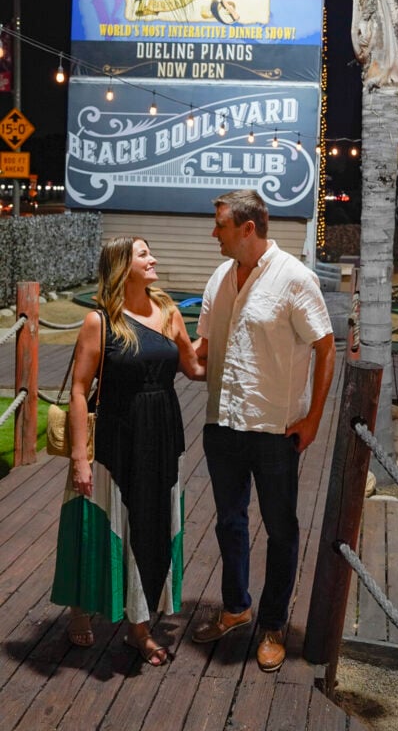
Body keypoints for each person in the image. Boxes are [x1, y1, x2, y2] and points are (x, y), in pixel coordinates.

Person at [190, 190, 336, 673]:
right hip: (222, 423)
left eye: (221, 224)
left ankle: (273, 625)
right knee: (229, 522)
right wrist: (152, 342)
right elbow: (203, 350)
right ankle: (236, 608)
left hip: (275, 429)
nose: (214, 232)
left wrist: (313, 418)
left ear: (248, 228)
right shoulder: (219, 277)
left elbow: (326, 347)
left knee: (280, 529)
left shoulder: (294, 277)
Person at [51, 236, 204, 666]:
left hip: (162, 434)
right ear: (122, 266)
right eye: (143, 254)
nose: (153, 259)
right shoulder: (99, 321)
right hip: (114, 437)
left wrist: (233, 340)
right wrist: (79, 458)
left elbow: (193, 367)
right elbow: (79, 390)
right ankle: (81, 607)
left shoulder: (169, 311)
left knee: (149, 526)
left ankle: (138, 627)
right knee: (98, 521)